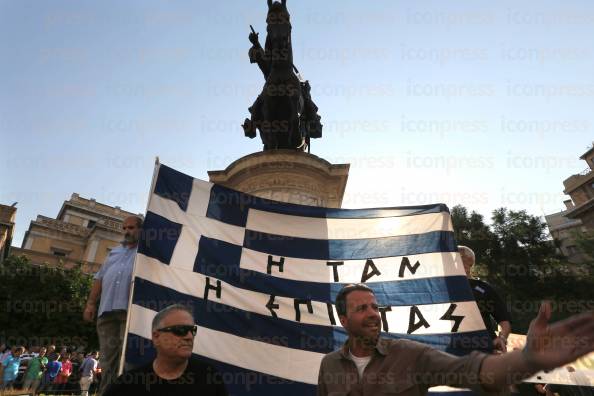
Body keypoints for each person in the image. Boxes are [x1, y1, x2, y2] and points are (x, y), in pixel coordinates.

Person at [317, 283, 594, 396]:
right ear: (343, 320)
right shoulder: (329, 366)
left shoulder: (408, 353)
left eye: (375, 307)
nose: (373, 314)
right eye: (361, 308)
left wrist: (527, 359)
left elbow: (476, 371)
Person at [103, 304, 228, 395]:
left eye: (192, 330)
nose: (189, 337)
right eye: (180, 330)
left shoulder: (209, 377)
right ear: (156, 337)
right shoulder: (126, 385)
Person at [83, 215, 142, 394]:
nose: (126, 232)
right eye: (124, 228)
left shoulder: (147, 251)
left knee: (129, 359)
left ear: (141, 230)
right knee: (107, 360)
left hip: (130, 311)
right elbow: (99, 278)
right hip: (106, 311)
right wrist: (91, 304)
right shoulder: (114, 252)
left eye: (131, 228)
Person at [459, 245, 512, 353]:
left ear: (470, 263)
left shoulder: (483, 288)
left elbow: (504, 320)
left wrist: (501, 338)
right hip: (448, 353)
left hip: (483, 350)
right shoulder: (439, 287)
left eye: (461, 258)